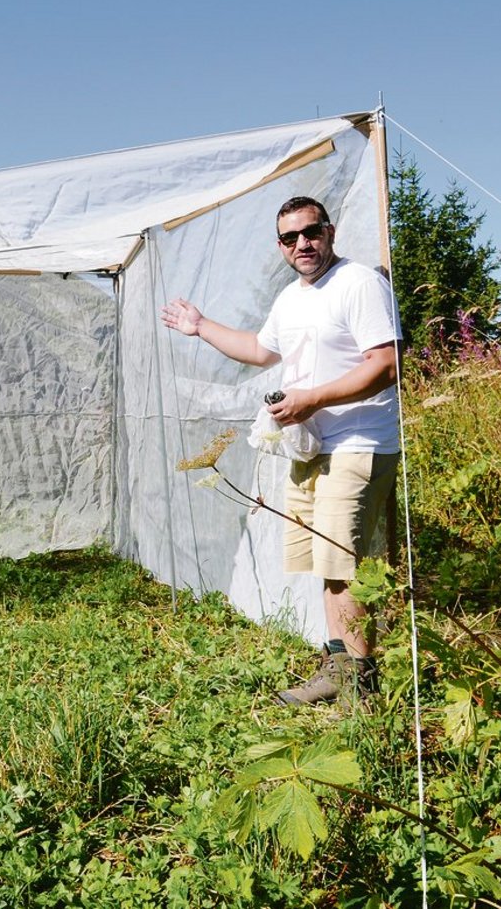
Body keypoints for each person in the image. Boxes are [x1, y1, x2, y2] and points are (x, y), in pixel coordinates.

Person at [160, 196, 401, 706]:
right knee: (325, 559)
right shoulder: (292, 298)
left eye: (310, 232)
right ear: (281, 246)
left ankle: (363, 689)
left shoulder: (359, 284)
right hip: (310, 443)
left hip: (358, 442)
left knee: (343, 562)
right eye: (290, 238)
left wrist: (311, 398)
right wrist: (200, 327)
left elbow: (385, 365)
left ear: (329, 232)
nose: (302, 245)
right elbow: (260, 350)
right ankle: (338, 668)